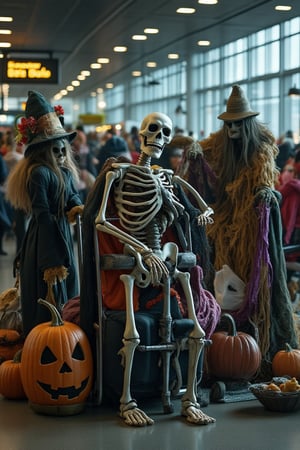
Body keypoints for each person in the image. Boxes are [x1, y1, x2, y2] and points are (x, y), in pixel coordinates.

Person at [174, 85, 298, 375]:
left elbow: (266, 182)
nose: (233, 130)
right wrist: (193, 149)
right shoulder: (216, 146)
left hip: (249, 228)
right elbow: (201, 156)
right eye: (229, 124)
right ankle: (216, 341)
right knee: (218, 285)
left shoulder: (261, 150)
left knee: (249, 285)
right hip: (219, 226)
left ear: (248, 124)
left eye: (238, 123)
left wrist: (268, 194)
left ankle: (256, 347)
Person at [6, 90, 83, 336]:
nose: (61, 155)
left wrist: (77, 208)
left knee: (68, 290)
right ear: (43, 150)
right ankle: (43, 343)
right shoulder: (39, 173)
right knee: (47, 291)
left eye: (63, 150)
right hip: (44, 241)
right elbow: (42, 215)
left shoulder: (67, 173)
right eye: (56, 151)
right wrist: (51, 260)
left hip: (62, 235)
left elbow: (72, 196)